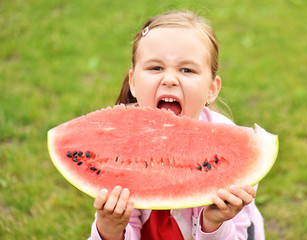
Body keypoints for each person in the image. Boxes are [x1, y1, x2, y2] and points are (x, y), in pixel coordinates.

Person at [89, 10, 265, 240]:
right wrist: (109, 230)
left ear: (212, 89)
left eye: (187, 70)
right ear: (133, 82)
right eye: (155, 68)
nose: (169, 79)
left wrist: (213, 224)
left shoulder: (231, 155)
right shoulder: (118, 147)